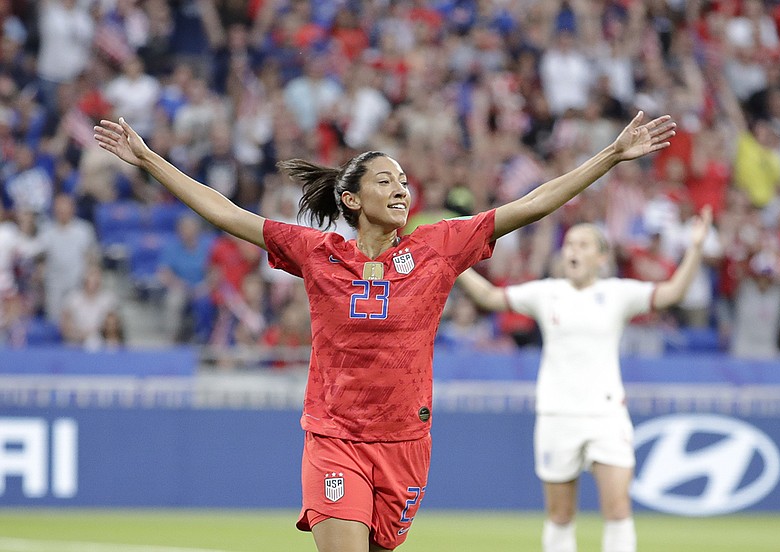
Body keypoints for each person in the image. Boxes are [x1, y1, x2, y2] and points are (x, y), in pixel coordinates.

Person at [93, 110, 674, 552]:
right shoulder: (317, 253)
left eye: (404, 181)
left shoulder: (437, 248)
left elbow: (530, 205)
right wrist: (148, 160)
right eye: (385, 181)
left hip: (404, 443)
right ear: (351, 198)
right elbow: (226, 213)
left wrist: (611, 156)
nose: (402, 189)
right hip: (335, 435)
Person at [455, 206, 712, 552]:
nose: (573, 250)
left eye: (583, 245)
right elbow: (489, 297)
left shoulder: (620, 293)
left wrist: (695, 248)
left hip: (606, 415)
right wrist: (450, 262)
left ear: (602, 257)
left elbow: (672, 294)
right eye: (570, 244)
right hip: (556, 415)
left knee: (618, 510)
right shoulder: (545, 293)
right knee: (560, 516)